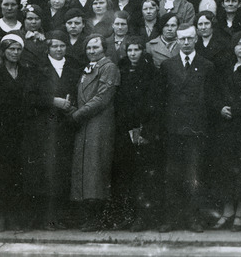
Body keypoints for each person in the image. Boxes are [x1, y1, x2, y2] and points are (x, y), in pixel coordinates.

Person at [152, 24, 216, 233]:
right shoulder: (168, 66)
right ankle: (171, 219)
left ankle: (193, 219)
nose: (186, 42)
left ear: (196, 39)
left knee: (194, 176)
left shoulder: (206, 65)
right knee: (171, 175)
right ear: (177, 41)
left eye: (189, 38)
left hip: (196, 129)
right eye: (182, 39)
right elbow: (161, 99)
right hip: (173, 128)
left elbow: (210, 100)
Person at [56, 34, 120, 232]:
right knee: (84, 169)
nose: (92, 51)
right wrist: (73, 109)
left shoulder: (109, 67)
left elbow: (102, 98)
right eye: (89, 48)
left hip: (99, 123)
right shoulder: (88, 68)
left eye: (96, 48)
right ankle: (86, 215)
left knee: (95, 169)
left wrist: (77, 115)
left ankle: (97, 217)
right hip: (85, 122)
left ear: (104, 49)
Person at [22, 30, 81, 230]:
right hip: (44, 127)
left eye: (62, 46)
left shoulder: (73, 67)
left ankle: (62, 216)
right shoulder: (38, 68)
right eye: (55, 46)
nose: (58, 49)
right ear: (48, 48)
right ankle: (46, 218)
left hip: (66, 126)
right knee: (46, 173)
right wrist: (52, 101)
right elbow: (29, 97)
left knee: (63, 172)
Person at [208, 32, 241, 232]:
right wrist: (220, 108)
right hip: (226, 125)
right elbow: (213, 92)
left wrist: (238, 109)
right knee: (225, 167)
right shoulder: (223, 68)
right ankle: (227, 210)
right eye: (238, 43)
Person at [109, 36, 160, 231]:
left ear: (143, 51)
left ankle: (143, 217)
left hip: (142, 128)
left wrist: (145, 129)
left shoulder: (151, 72)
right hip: (123, 128)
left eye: (136, 50)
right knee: (124, 173)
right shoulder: (121, 68)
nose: (132, 54)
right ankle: (126, 215)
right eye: (129, 50)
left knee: (142, 175)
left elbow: (153, 102)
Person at [0, 33, 34, 231]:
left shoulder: (26, 72)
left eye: (18, 49)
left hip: (21, 131)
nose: (15, 53)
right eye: (11, 49)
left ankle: (14, 217)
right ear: (3, 52)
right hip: (0, 131)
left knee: (17, 175)